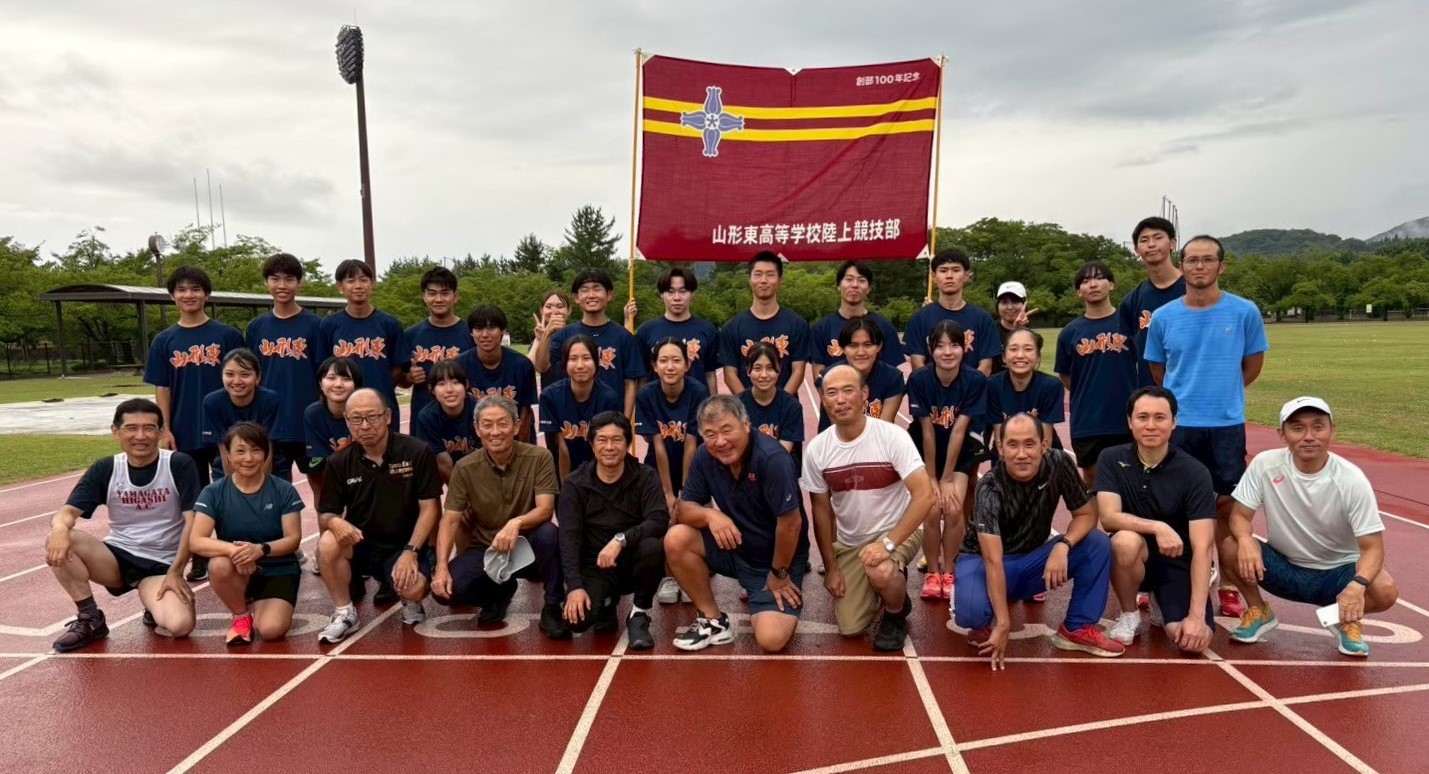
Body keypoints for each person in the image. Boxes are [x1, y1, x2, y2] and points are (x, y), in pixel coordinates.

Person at [1145, 234, 1269, 617]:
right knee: (1174, 504)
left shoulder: (1244, 312)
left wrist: (1222, 394)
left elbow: (1252, 366)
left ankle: (1228, 583)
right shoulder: (1164, 317)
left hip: (1226, 426)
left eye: (1207, 259)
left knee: (1226, 506)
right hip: (1180, 427)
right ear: (1181, 266)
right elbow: (1159, 371)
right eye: (1192, 260)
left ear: (1221, 266)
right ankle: (1173, 578)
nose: (1199, 266)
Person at [1222, 397, 1399, 657]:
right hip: (1284, 567)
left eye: (1318, 427)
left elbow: (1373, 548)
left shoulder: (1352, 479)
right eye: (1297, 428)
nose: (1308, 436)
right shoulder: (1265, 464)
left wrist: (1357, 586)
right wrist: (1246, 539)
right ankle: (1259, 610)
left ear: (1332, 431)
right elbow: (1239, 515)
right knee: (1231, 546)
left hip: (1338, 574)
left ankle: (1342, 618)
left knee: (1385, 589)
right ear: (1282, 434)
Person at [954, 414, 1125, 668]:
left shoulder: (1059, 463)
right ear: (1000, 448)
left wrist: (1063, 545)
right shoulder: (989, 488)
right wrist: (1004, 623)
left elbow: (1087, 514)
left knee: (1097, 544)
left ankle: (1077, 627)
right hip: (985, 562)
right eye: (1013, 445)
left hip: (1032, 561)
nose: (1022, 454)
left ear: (1044, 445)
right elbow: (992, 559)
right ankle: (984, 612)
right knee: (971, 613)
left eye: (1029, 444)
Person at [44, 398, 199, 652]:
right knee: (60, 538)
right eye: (131, 428)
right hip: (116, 559)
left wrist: (176, 571)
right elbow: (67, 512)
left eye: (149, 428)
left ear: (161, 432)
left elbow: (193, 523)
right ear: (116, 432)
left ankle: (153, 604)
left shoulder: (178, 464)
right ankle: (90, 618)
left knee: (179, 626)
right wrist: (60, 529)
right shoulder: (107, 468)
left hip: (161, 565)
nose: (141, 436)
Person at [804, 365, 935, 651]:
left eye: (848, 390)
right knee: (850, 628)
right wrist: (831, 567)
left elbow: (925, 495)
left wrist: (888, 544)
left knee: (881, 569)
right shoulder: (817, 450)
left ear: (864, 394)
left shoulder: (892, 436)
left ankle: (895, 612)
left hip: (895, 530)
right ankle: (890, 589)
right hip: (852, 542)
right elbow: (821, 511)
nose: (840, 400)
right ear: (823, 400)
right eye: (831, 393)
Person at [665, 395, 810, 653]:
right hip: (737, 547)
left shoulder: (771, 458)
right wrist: (711, 516)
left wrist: (779, 575)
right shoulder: (704, 456)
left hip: (776, 560)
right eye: (710, 434)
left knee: (771, 640)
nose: (720, 441)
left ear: (746, 425)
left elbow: (791, 523)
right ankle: (713, 620)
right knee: (676, 538)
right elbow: (684, 509)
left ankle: (777, 593)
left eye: (727, 430)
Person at [432, 395, 570, 639]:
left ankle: (552, 606)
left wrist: (516, 523)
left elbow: (546, 509)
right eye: (487, 424)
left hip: (529, 546)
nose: (495, 432)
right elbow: (450, 520)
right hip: (488, 548)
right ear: (477, 429)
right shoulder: (464, 467)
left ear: (516, 426)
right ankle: (497, 593)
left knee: (550, 534)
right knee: (447, 591)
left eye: (503, 423)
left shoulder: (539, 457)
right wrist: (441, 566)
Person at [315, 389, 442, 643]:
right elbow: (326, 512)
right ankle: (345, 613)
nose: (364, 426)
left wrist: (411, 551)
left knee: (414, 588)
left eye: (372, 417)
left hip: (402, 545)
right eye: (356, 419)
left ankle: (409, 600)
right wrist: (335, 521)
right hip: (361, 544)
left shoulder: (417, 451)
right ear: (347, 422)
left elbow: (430, 508)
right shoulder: (339, 462)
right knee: (327, 542)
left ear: (388, 417)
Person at [1096, 387, 1217, 652]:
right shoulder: (1111, 458)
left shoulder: (1195, 472)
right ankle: (1130, 614)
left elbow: (1203, 547)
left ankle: (1164, 599)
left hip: (1178, 559)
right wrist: (1157, 527)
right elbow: (1108, 518)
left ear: (1174, 422)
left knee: (1189, 641)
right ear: (1130, 422)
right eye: (1143, 417)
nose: (1151, 425)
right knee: (1124, 541)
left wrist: (1196, 617)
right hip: (1135, 556)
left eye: (1160, 417)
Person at [145, 265, 245, 583]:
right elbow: (163, 387)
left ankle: (234, 549)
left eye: (195, 289)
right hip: (185, 427)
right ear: (172, 296)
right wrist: (164, 428)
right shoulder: (164, 340)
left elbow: (243, 379)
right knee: (194, 496)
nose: (189, 295)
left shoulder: (227, 335)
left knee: (232, 489)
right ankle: (200, 554)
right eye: (182, 290)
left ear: (207, 294)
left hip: (226, 427)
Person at [559, 412, 668, 650]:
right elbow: (568, 537)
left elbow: (659, 519)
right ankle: (607, 602)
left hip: (631, 561)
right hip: (594, 565)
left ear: (628, 443)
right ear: (591, 444)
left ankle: (639, 613)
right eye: (602, 440)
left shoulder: (645, 476)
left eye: (617, 440)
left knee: (653, 546)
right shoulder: (575, 484)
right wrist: (574, 586)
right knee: (576, 622)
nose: (609, 447)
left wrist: (622, 540)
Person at [190, 422, 304, 645]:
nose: (248, 458)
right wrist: (238, 552)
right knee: (218, 564)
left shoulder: (284, 490)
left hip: (278, 567)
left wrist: (260, 550)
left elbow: (293, 539)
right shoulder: (213, 492)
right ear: (228, 455)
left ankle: (266, 603)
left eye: (256, 450)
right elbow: (196, 541)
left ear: (266, 453)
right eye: (240, 451)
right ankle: (241, 616)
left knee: (271, 631)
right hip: (237, 567)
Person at [906, 321, 988, 602]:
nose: (947, 352)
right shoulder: (919, 379)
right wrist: (931, 477)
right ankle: (932, 572)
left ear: (964, 348)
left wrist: (947, 478)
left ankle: (950, 571)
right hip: (925, 450)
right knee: (930, 509)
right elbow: (927, 431)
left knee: (953, 509)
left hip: (960, 453)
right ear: (931, 350)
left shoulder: (975, 380)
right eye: (940, 346)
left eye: (954, 345)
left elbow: (960, 429)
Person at [1055, 261, 1137, 489]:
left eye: (1099, 278)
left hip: (1126, 418)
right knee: (1093, 482)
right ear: (1078, 292)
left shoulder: (1129, 324)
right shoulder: (1070, 332)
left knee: (1131, 482)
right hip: (1088, 420)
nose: (1093, 284)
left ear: (1111, 284)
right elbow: (1066, 376)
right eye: (1085, 281)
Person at [246, 252, 324, 482]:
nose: (282, 285)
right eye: (275, 279)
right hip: (270, 424)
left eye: (289, 279)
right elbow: (251, 375)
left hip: (309, 423)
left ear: (299, 283)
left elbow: (325, 375)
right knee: (275, 486)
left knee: (321, 484)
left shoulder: (317, 325)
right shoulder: (256, 327)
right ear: (266, 282)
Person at [535, 269, 645, 416]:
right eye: (585, 290)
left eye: (597, 289)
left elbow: (630, 383)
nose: (591, 295)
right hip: (572, 419)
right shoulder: (564, 334)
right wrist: (547, 335)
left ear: (609, 295)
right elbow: (542, 367)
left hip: (610, 419)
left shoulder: (624, 337)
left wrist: (624, 421)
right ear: (576, 297)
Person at [319, 259, 405, 434]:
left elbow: (399, 367)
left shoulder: (390, 324)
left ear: (372, 284)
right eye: (351, 281)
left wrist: (380, 386)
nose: (358, 286)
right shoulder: (329, 325)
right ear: (340, 286)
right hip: (342, 410)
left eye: (363, 280)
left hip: (381, 407)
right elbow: (322, 367)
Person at [717, 250, 812, 396]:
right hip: (744, 409)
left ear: (780, 280)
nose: (763, 280)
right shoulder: (732, 328)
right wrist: (748, 405)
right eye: (758, 274)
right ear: (749, 280)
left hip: (786, 408)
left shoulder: (797, 325)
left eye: (770, 275)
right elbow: (730, 374)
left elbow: (798, 371)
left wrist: (781, 404)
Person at [635, 338, 709, 512]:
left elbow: (691, 442)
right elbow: (658, 444)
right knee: (660, 517)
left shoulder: (698, 392)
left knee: (694, 515)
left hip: (693, 466)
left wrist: (686, 491)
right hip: (658, 466)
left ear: (687, 365)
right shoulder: (646, 395)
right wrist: (667, 492)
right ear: (654, 366)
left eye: (676, 360)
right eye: (663, 361)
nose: (670, 367)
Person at [539, 335, 623, 482]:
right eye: (573, 359)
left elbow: (607, 446)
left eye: (586, 358)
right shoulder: (550, 396)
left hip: (599, 472)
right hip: (560, 473)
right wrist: (567, 488)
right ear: (565, 363)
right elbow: (560, 448)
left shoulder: (609, 398)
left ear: (596, 362)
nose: (580, 365)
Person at [902, 248, 999, 374]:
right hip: (930, 386)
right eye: (943, 270)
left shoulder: (983, 319)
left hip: (973, 386)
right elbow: (917, 364)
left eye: (956, 270)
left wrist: (971, 385)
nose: (949, 276)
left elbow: (986, 366)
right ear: (933, 277)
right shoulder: (919, 319)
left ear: (966, 275)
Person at [454, 305, 538, 442]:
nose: (484, 335)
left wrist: (520, 449)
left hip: (514, 439)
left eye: (491, 328)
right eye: (478, 329)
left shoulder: (522, 365)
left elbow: (525, 414)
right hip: (474, 442)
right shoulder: (459, 365)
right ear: (471, 333)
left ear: (503, 330)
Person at [631, 267, 721, 394]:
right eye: (670, 292)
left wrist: (713, 403)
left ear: (692, 293)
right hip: (657, 403)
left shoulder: (708, 330)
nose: (677, 298)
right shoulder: (646, 331)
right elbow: (643, 378)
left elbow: (710, 374)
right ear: (662, 294)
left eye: (683, 291)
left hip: (698, 403)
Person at [810, 260, 906, 379]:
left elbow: (892, 377)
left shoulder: (885, 328)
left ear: (868, 288)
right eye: (849, 279)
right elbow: (819, 378)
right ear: (838, 286)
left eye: (861, 280)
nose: (855, 285)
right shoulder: (821, 329)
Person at [1119, 217, 1185, 388]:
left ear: (1172, 243)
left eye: (1157, 237)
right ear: (1136, 250)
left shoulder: (1194, 290)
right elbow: (1128, 355)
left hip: (1193, 391)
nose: (1151, 244)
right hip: (1151, 394)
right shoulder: (1132, 301)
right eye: (1144, 240)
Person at [400, 266, 471, 424]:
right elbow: (401, 380)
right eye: (432, 293)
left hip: (465, 419)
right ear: (424, 297)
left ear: (455, 297)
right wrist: (409, 377)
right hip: (424, 420)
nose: (438, 299)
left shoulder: (471, 333)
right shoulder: (410, 335)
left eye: (445, 293)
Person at [201, 348, 281, 481]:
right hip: (228, 468)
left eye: (245, 374)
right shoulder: (212, 403)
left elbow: (268, 449)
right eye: (230, 374)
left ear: (258, 377)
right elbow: (224, 451)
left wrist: (262, 487)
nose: (237, 381)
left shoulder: (270, 400)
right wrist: (235, 488)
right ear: (222, 376)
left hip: (267, 466)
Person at [815, 316, 905, 433]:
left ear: (879, 346)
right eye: (853, 345)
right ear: (843, 348)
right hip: (837, 440)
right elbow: (839, 428)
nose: (861, 352)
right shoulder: (827, 377)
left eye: (868, 345)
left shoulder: (893, 378)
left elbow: (883, 427)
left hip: (878, 439)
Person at [987, 328, 1063, 451]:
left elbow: (1046, 442)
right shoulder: (992, 386)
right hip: (1005, 454)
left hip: (1044, 455)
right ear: (1004, 357)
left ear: (1038, 356)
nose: (1020, 355)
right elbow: (1000, 438)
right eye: (1013, 349)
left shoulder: (1051, 386)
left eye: (1028, 349)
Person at [302, 356, 363, 509]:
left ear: (356, 385)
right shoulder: (313, 414)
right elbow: (317, 461)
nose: (338, 384)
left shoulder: (365, 411)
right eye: (331, 378)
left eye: (346, 378)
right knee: (321, 486)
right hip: (329, 468)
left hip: (363, 470)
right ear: (320, 383)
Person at [412, 360, 478, 483]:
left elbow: (485, 456)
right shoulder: (427, 417)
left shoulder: (479, 411)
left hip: (478, 468)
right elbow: (443, 462)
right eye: (441, 384)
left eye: (455, 382)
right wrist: (459, 492)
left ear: (466, 385)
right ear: (432, 389)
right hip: (445, 471)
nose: (449, 389)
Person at [736, 342, 805, 456]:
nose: (764, 375)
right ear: (748, 370)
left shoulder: (792, 406)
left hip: (780, 464)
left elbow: (782, 452)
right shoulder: (736, 406)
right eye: (757, 368)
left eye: (770, 368)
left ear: (779, 368)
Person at [990, 281, 1036, 375]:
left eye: (1015, 301)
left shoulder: (1031, 337)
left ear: (1024, 304)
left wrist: (1018, 331)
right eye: (1004, 302)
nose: (1010, 307)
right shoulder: (988, 331)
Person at [528, 289, 571, 390]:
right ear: (541, 310)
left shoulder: (577, 334)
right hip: (550, 394)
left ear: (569, 310)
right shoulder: (540, 339)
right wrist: (539, 339)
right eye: (548, 306)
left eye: (560, 306)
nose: (554, 311)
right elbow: (528, 369)